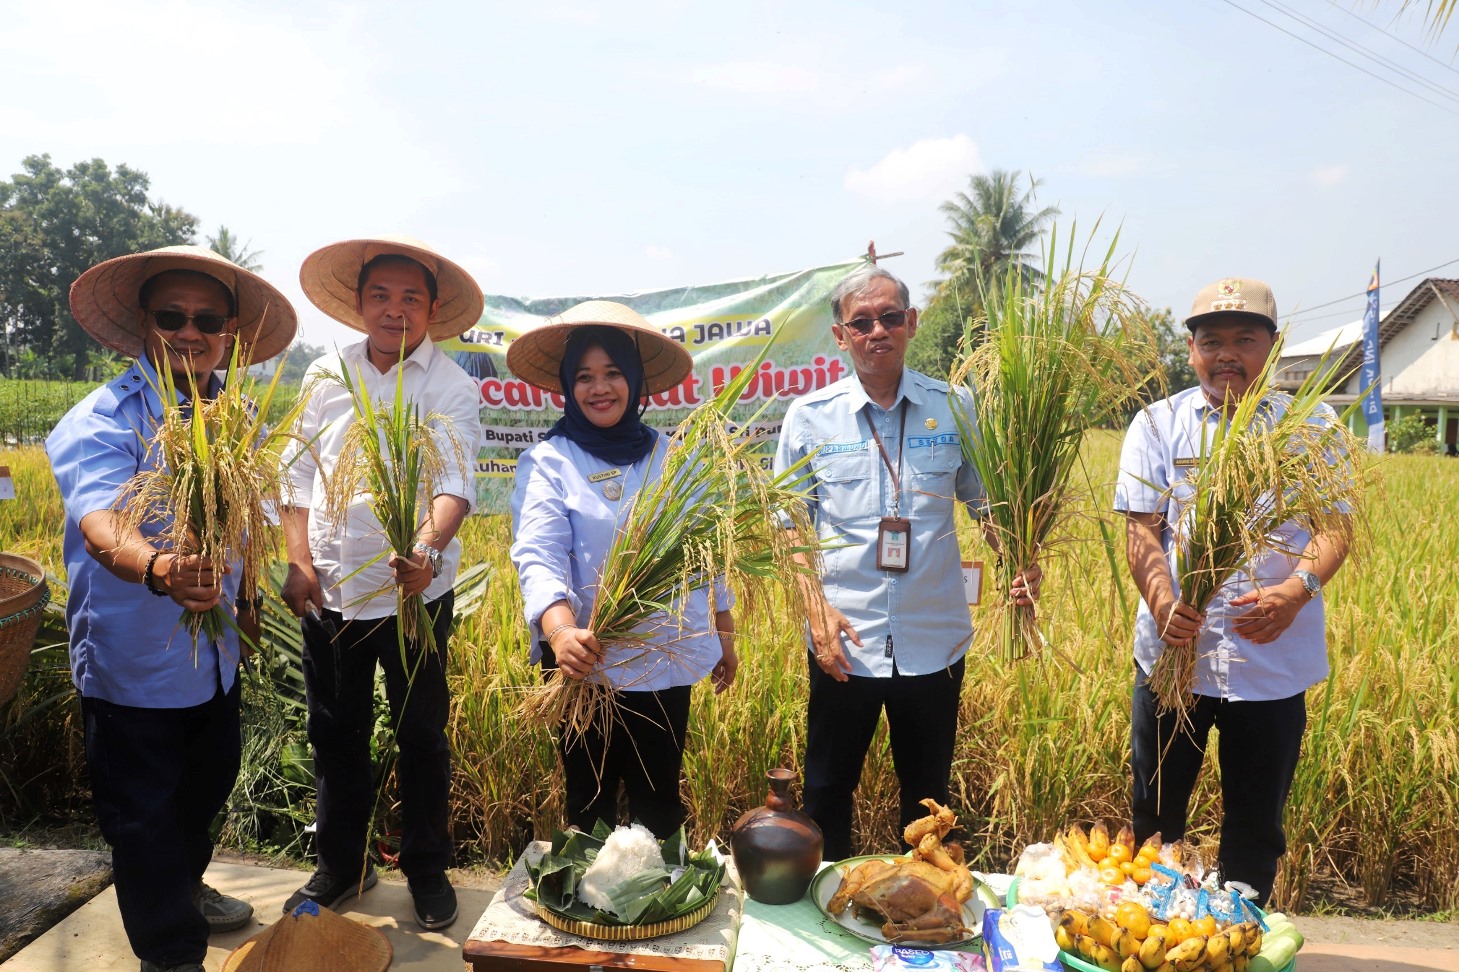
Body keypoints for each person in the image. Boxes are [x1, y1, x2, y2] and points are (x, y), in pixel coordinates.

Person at [48, 245, 297, 972]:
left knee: (205, 783)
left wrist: (246, 598)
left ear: (228, 333)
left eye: (207, 320)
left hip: (213, 652)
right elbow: (102, 522)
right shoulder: (104, 418)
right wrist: (158, 567)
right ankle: (170, 949)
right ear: (141, 324)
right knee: (144, 810)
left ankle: (183, 887)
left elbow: (246, 513)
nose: (190, 332)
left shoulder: (237, 412)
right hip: (135, 657)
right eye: (171, 317)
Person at [773, 265, 1039, 861]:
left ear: (911, 323)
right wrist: (816, 613)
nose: (878, 331)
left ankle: (921, 916)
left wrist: (1020, 555)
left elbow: (986, 501)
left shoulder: (954, 408)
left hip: (935, 638)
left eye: (890, 317)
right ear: (841, 337)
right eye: (861, 322)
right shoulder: (810, 416)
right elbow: (788, 524)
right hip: (845, 640)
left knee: (926, 796)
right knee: (827, 789)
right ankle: (831, 913)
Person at [1114, 276, 1351, 906]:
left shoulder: (1314, 427)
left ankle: (1236, 935)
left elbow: (1335, 528)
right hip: (1173, 661)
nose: (1227, 354)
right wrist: (1164, 600)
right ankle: (1153, 931)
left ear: (1272, 347)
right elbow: (1142, 530)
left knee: (1254, 821)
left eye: (1244, 339)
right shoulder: (1157, 425)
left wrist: (1297, 590)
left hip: (1270, 662)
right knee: (1155, 816)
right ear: (1190, 350)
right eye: (1211, 340)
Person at [280, 237, 483, 930]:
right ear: (360, 303)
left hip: (413, 597)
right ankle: (342, 865)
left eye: (410, 298)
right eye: (380, 297)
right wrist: (299, 559)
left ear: (431, 308)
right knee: (335, 731)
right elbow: (298, 473)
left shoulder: (449, 385)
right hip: (332, 593)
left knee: (421, 731)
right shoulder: (325, 372)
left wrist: (425, 550)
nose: (394, 311)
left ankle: (426, 866)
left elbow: (454, 481)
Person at [507, 301, 738, 837]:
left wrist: (724, 634)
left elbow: (704, 553)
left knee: (659, 805)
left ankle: (655, 913)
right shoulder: (550, 461)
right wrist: (561, 632)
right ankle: (590, 918)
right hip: (583, 666)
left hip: (664, 660)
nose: (599, 387)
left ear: (635, 382)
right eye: (584, 376)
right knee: (589, 811)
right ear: (568, 386)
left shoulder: (674, 458)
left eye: (613, 373)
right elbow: (538, 553)